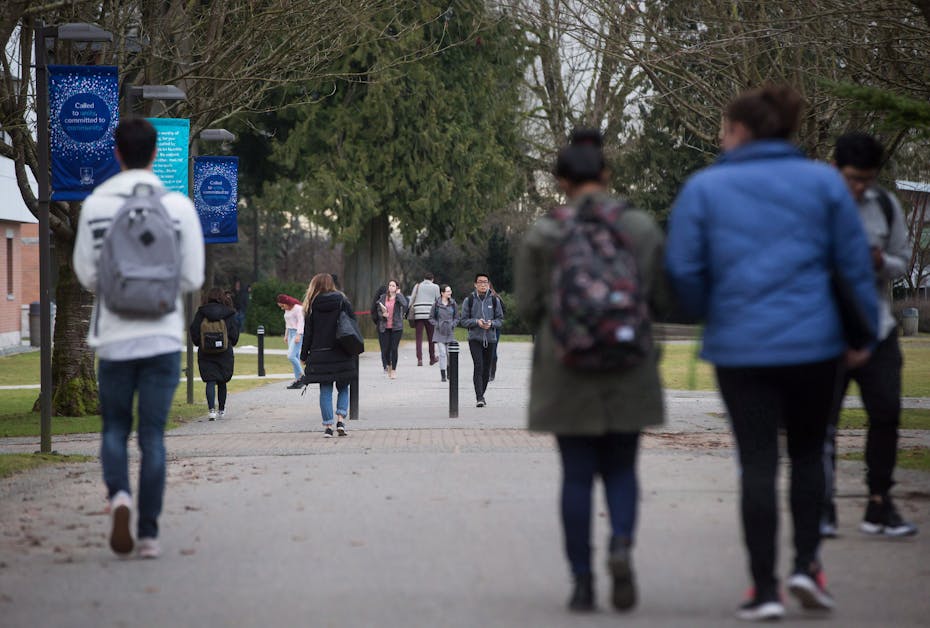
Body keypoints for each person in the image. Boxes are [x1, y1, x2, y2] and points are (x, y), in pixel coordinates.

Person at [665, 85, 879, 621]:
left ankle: (764, 588)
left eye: (721, 128)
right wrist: (862, 338)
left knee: (757, 461)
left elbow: (684, 274)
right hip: (815, 346)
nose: (718, 137)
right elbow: (854, 266)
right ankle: (808, 564)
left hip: (741, 348)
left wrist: (706, 309)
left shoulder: (706, 188)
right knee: (809, 454)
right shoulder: (824, 185)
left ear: (739, 131)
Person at [516, 132, 668, 613]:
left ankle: (582, 583)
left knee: (576, 475)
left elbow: (529, 307)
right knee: (623, 468)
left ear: (560, 181)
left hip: (566, 369)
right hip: (629, 366)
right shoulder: (640, 228)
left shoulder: (544, 234)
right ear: (606, 174)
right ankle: (620, 543)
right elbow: (660, 297)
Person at [73, 117, 205, 559]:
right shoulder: (178, 207)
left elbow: (88, 275)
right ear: (154, 155)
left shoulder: (95, 205)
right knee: (153, 435)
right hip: (163, 337)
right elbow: (192, 277)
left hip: (112, 336)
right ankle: (148, 534)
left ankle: (120, 498)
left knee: (113, 427)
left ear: (116, 152)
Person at [821, 133, 917, 538]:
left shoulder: (884, 205)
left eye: (868, 178)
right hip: (825, 330)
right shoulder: (817, 206)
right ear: (836, 169)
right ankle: (821, 507)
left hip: (877, 327)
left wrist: (882, 261)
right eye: (852, 178)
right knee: (821, 423)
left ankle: (880, 503)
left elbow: (903, 260)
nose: (860, 186)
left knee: (887, 415)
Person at [299, 273, 358, 437]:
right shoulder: (342, 301)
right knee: (343, 387)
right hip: (342, 351)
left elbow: (308, 334)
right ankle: (341, 419)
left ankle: (328, 426)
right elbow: (352, 324)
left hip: (320, 354)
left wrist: (303, 356)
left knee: (325, 390)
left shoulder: (311, 305)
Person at [189, 288, 240, 420]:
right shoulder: (228, 313)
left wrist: (199, 343)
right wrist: (230, 342)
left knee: (210, 380)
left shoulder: (201, 313)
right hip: (224, 351)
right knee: (222, 381)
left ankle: (211, 410)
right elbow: (234, 333)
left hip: (206, 351)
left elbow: (194, 330)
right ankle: (221, 410)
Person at [459, 273, 503, 407]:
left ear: (488, 284)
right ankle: (479, 397)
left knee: (486, 369)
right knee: (478, 366)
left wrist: (492, 324)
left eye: (485, 282)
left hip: (490, 339)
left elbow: (500, 320)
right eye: (480, 282)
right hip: (475, 338)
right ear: (475, 284)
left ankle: (481, 394)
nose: (483, 284)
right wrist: (476, 322)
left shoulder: (495, 300)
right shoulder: (469, 300)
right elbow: (463, 321)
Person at [376, 280, 408, 379]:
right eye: (390, 285)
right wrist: (382, 315)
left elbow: (405, 305)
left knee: (394, 349)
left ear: (397, 288)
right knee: (385, 350)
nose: (391, 287)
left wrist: (399, 295)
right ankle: (389, 366)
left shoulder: (399, 298)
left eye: (393, 286)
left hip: (396, 327)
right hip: (385, 327)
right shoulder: (382, 297)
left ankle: (393, 369)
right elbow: (378, 310)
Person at [408, 272, 441, 366]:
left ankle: (419, 359)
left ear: (424, 279)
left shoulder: (417, 286)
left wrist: (409, 308)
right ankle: (432, 358)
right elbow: (438, 300)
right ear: (432, 279)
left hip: (418, 314)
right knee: (431, 337)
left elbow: (412, 298)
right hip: (430, 313)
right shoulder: (435, 287)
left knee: (419, 338)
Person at [429, 285, 458, 383]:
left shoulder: (453, 304)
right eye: (448, 291)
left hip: (449, 332)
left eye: (450, 291)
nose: (450, 293)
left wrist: (453, 325)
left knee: (449, 354)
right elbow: (431, 318)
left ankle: (449, 372)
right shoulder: (436, 305)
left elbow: (457, 317)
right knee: (442, 353)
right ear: (442, 293)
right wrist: (437, 324)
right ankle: (443, 374)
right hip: (439, 332)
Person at [277, 294, 304, 389]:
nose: (282, 308)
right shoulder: (287, 309)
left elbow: (301, 321)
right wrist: (286, 335)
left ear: (287, 303)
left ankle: (302, 376)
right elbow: (287, 323)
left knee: (290, 356)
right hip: (290, 333)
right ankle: (298, 380)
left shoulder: (298, 308)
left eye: (282, 306)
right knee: (295, 357)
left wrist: (299, 334)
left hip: (297, 333)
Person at [370, 284, 389, 372]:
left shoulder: (376, 302)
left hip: (380, 325)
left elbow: (373, 314)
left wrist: (377, 322)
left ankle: (385, 365)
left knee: (383, 347)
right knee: (388, 346)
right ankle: (388, 363)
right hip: (385, 325)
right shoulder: (385, 301)